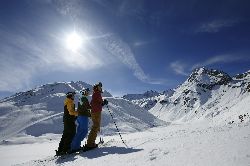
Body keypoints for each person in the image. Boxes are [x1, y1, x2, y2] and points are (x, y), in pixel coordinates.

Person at [85, 82, 108, 149]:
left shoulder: (95, 94)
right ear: (97, 87)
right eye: (99, 86)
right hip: (96, 112)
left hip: (94, 112)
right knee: (95, 127)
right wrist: (104, 102)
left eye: (101, 87)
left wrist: (102, 103)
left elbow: (96, 103)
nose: (101, 88)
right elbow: (100, 102)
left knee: (95, 126)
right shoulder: (97, 93)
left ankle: (91, 142)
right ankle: (90, 143)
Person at [70, 88, 91, 153]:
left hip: (80, 116)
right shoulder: (84, 98)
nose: (88, 93)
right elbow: (87, 107)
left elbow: (83, 108)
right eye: (87, 92)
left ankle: (74, 146)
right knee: (84, 131)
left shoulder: (80, 98)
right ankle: (75, 147)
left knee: (80, 131)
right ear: (84, 92)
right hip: (83, 116)